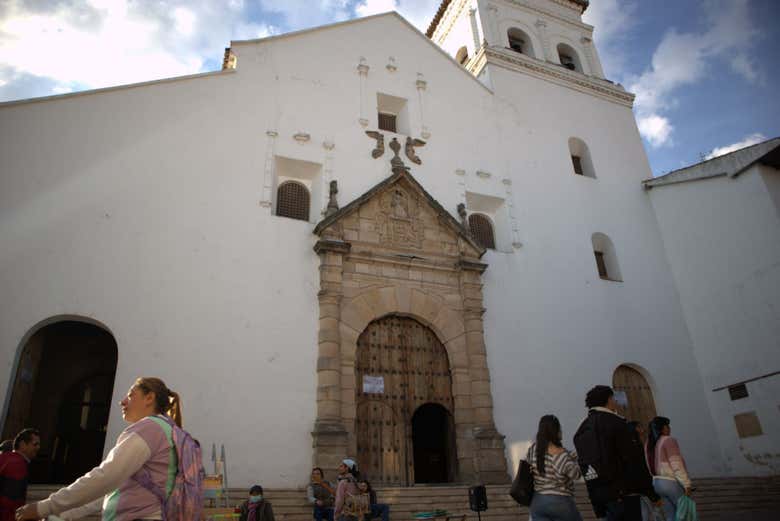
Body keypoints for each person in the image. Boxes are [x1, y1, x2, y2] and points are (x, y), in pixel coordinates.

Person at [15, 377, 184, 521]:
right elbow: (108, 489)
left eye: (131, 395)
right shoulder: (165, 429)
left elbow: (105, 477)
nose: (122, 401)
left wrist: (45, 507)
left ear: (149, 398)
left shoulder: (150, 428)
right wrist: (60, 514)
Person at [573, 385, 634, 521]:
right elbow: (629, 457)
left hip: (594, 489)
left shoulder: (582, 427)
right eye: (613, 398)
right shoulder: (616, 422)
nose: (615, 402)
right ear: (608, 400)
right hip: (618, 490)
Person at [526, 415, 583, 521]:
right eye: (559, 428)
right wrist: (579, 461)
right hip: (560, 501)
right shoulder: (561, 455)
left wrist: (572, 455)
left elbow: (530, 465)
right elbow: (576, 475)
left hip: (538, 502)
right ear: (555, 431)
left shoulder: (533, 449)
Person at [646, 417, 691, 521]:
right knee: (685, 514)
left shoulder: (648, 444)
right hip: (670, 483)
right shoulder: (668, 440)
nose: (669, 428)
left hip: (656, 483)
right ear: (663, 428)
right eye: (667, 426)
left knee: (670, 516)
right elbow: (676, 463)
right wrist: (686, 484)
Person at [0, 429, 40, 521]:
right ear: (22, 444)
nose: (38, 447)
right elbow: (10, 502)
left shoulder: (5, 458)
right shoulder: (17, 464)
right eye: (35, 444)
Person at [624, 422, 660, 521]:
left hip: (631, 489)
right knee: (651, 513)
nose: (643, 430)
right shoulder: (636, 447)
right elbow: (641, 470)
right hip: (641, 488)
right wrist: (652, 494)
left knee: (644, 514)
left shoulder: (627, 446)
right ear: (635, 429)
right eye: (640, 427)